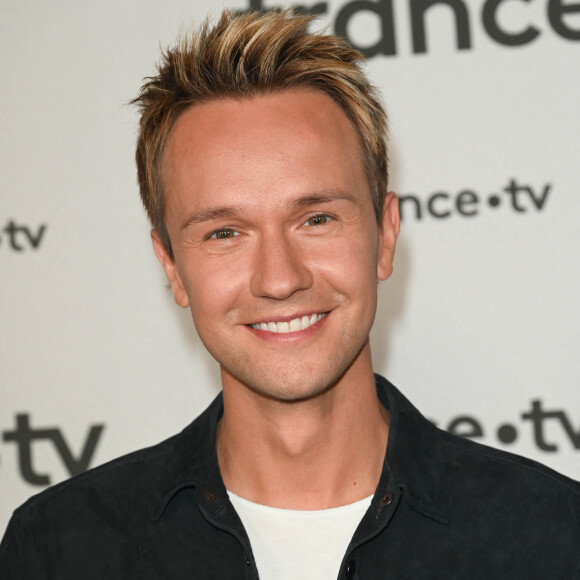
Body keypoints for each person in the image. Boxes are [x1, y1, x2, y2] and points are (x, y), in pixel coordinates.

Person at [1, 9, 578, 579]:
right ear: (171, 266)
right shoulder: (58, 550)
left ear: (385, 235)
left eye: (317, 219)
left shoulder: (554, 537)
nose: (279, 279)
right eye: (224, 233)